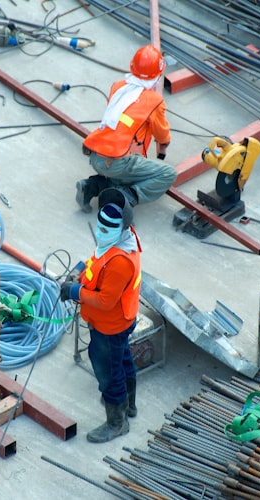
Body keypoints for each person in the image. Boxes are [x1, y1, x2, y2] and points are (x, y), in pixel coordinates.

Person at [60, 188, 142, 443]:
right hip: (121, 321)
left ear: (122, 227)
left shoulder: (120, 262)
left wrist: (76, 290)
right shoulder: (120, 241)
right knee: (123, 359)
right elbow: (98, 262)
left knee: (109, 372)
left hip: (110, 325)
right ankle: (128, 405)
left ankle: (117, 423)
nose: (101, 233)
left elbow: (106, 301)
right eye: (100, 227)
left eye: (107, 229)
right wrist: (81, 272)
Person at [76, 44, 177, 213]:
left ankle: (91, 187)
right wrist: (163, 145)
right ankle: (125, 197)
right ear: (157, 76)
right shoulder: (154, 101)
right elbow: (161, 134)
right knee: (168, 174)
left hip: (95, 154)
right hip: (116, 161)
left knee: (127, 170)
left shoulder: (119, 86)